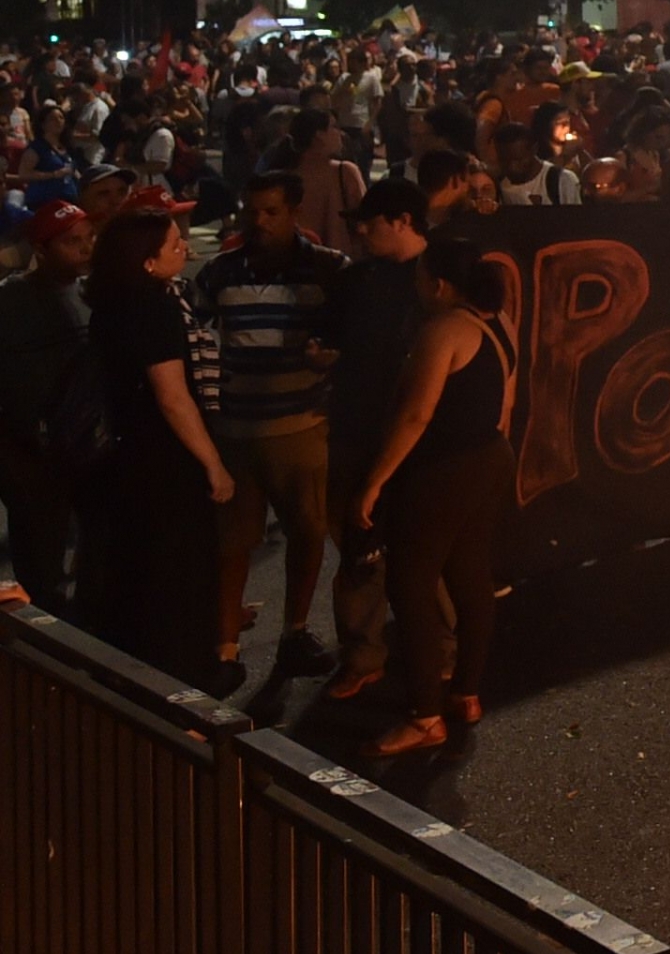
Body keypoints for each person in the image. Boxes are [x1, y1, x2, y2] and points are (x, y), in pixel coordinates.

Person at [352, 235, 515, 757]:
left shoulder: (443, 329)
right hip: (489, 456)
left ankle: (424, 716)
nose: (417, 285)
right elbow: (505, 400)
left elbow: (416, 415)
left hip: (443, 470)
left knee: (411, 585)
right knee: (470, 576)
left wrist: (375, 480)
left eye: (421, 276)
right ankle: (465, 692)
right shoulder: (498, 325)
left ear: (440, 285)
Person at [194, 171, 346, 685]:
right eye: (251, 211)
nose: (258, 222)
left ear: (295, 211)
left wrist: (329, 358)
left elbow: (351, 337)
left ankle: (295, 632)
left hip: (301, 426)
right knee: (232, 541)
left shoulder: (328, 271)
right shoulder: (219, 272)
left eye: (271, 212)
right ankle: (225, 647)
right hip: (235, 428)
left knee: (308, 532)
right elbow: (196, 330)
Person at [78, 208, 229, 687]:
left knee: (135, 571)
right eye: (173, 244)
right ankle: (184, 681)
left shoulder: (109, 303)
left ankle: (136, 677)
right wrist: (213, 464)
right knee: (177, 574)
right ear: (146, 261)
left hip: (125, 456)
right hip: (164, 461)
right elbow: (173, 396)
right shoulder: (155, 307)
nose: (184, 246)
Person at [308, 179, 432, 701]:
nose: (360, 230)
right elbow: (327, 340)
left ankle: (438, 654)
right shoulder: (355, 281)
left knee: (427, 546)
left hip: (423, 435)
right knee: (359, 544)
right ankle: (363, 655)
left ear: (403, 220)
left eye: (371, 221)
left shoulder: (441, 277)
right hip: (358, 427)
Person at [0, 202, 96, 612]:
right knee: (40, 559)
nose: (85, 249)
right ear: (41, 248)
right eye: (71, 241)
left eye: (87, 238)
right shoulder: (10, 301)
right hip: (29, 453)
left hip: (84, 444)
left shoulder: (91, 293)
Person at [286, 107, 367, 255]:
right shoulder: (345, 172)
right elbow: (366, 219)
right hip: (341, 263)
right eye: (334, 127)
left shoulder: (285, 176)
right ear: (319, 136)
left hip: (297, 260)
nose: (340, 133)